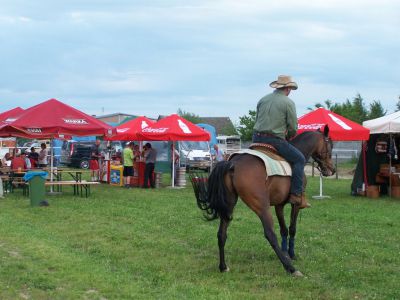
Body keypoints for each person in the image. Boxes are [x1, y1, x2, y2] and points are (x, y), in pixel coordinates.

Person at [252, 75, 310, 209]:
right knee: (299, 159)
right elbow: (293, 128)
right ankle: (296, 195)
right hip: (274, 140)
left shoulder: (263, 99)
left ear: (277, 86)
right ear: (288, 88)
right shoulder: (288, 102)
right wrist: (289, 135)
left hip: (256, 138)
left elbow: (258, 120)